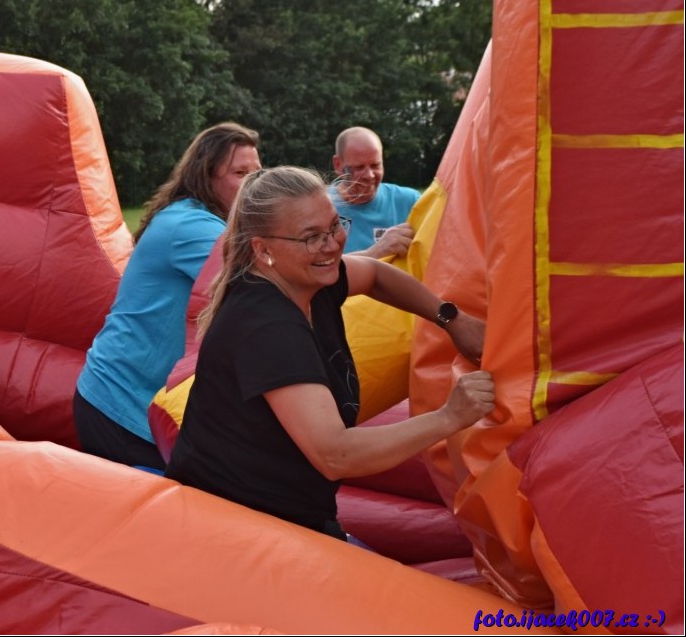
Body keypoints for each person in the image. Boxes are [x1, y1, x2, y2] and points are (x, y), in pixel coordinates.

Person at [164, 166, 493, 543]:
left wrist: (450, 319)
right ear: (262, 249)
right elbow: (336, 455)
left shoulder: (311, 281)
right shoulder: (267, 329)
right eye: (311, 237)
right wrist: (452, 416)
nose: (333, 244)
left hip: (283, 513)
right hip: (240, 527)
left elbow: (374, 274)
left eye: (336, 225)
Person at [75, 123, 262, 469]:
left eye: (257, 173)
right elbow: (268, 273)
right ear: (207, 175)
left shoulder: (201, 220)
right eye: (241, 173)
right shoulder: (190, 226)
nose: (255, 185)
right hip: (122, 405)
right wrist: (371, 264)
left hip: (133, 400)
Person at [329, 126, 421, 259]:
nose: (369, 175)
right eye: (359, 167)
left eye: (375, 165)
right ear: (338, 165)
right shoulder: (319, 208)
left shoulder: (411, 202)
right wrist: (374, 253)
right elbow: (316, 270)